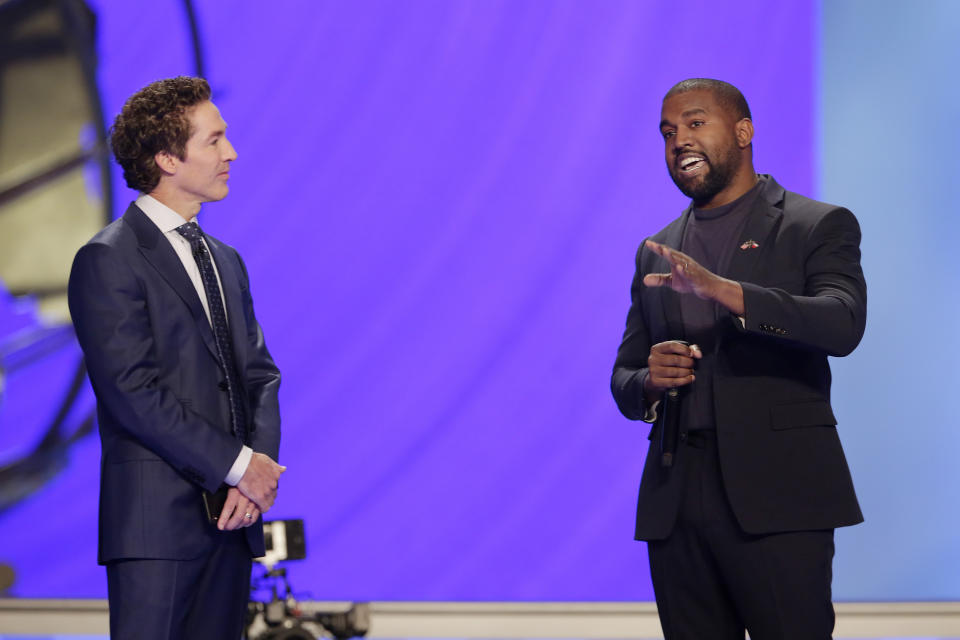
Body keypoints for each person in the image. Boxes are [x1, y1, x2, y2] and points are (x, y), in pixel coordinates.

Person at [611, 78, 866, 640]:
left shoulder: (815, 225)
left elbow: (842, 323)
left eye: (695, 123)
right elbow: (624, 377)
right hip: (677, 502)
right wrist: (650, 381)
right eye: (668, 131)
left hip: (779, 497)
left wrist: (727, 292)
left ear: (744, 131)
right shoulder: (657, 247)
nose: (679, 140)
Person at [68, 76, 286, 640]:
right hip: (156, 529)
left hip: (232, 521)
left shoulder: (226, 259)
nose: (230, 153)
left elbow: (259, 375)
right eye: (213, 140)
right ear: (167, 157)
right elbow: (133, 393)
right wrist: (239, 465)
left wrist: (254, 473)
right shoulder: (108, 259)